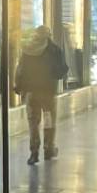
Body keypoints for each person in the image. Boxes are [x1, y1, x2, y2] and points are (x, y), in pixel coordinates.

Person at [14, 23, 68, 166]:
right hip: (48, 94)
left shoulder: (27, 49)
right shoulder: (54, 50)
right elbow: (61, 70)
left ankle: (34, 152)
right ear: (48, 36)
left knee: (33, 123)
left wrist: (18, 87)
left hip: (31, 94)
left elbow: (20, 70)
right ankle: (48, 148)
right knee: (49, 120)